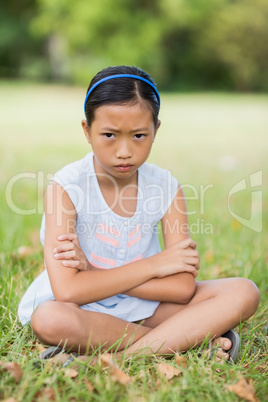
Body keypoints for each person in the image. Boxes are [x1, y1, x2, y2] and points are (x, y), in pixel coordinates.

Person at [18, 65, 260, 364]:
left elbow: (182, 289)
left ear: (156, 130)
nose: (124, 151)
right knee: (50, 319)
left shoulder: (166, 188)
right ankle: (186, 339)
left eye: (139, 136)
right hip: (82, 308)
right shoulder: (67, 188)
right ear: (86, 131)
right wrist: (155, 265)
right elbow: (69, 290)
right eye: (109, 134)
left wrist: (92, 272)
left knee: (243, 291)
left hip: (147, 305)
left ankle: (115, 358)